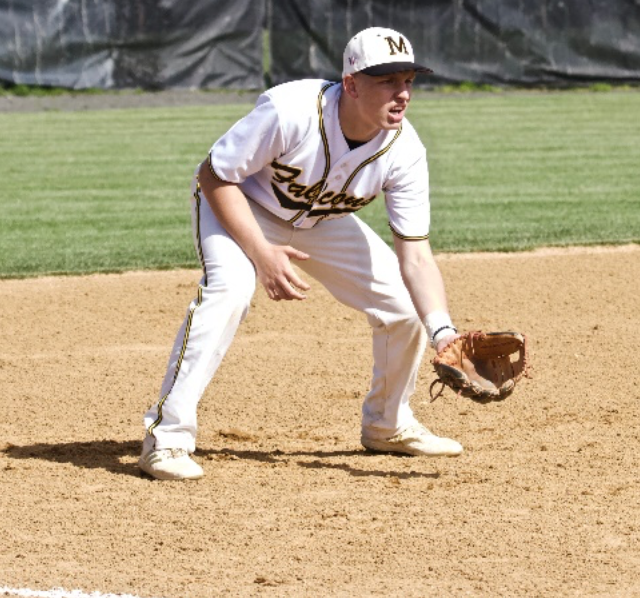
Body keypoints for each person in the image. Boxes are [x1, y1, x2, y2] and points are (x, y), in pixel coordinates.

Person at [139, 26, 467, 481]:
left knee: (407, 308)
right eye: (387, 80)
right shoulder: (291, 111)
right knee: (230, 291)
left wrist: (443, 332)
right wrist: (261, 253)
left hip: (320, 223)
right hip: (241, 207)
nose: (402, 92)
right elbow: (213, 176)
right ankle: (167, 437)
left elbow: (415, 255)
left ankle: (387, 424)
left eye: (408, 80)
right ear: (351, 84)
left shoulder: (405, 151)